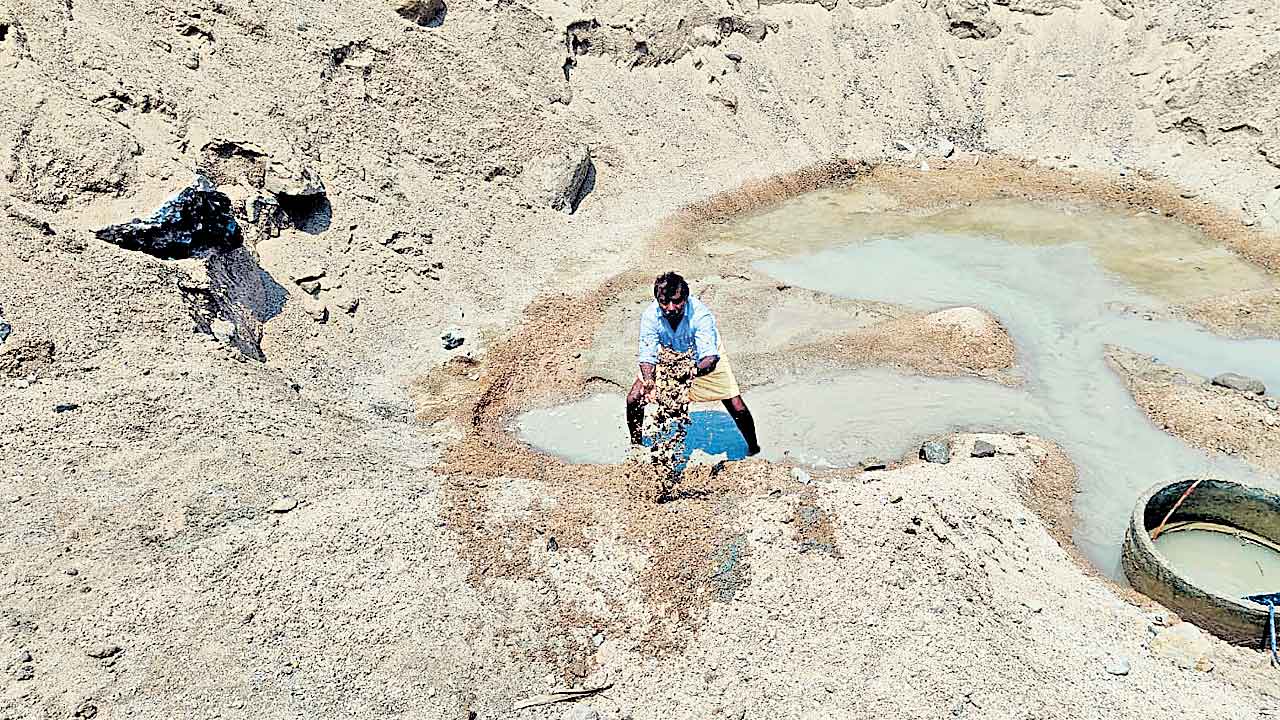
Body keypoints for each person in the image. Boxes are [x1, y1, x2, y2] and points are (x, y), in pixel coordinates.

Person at [625, 271, 761, 456]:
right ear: (658, 299)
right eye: (664, 302)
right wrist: (649, 381)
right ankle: (637, 446)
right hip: (667, 356)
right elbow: (647, 355)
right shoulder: (650, 316)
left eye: (677, 301)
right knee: (634, 398)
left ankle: (754, 449)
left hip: (702, 359)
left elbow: (710, 359)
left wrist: (688, 373)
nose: (670, 308)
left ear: (686, 298)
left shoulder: (701, 315)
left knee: (736, 405)